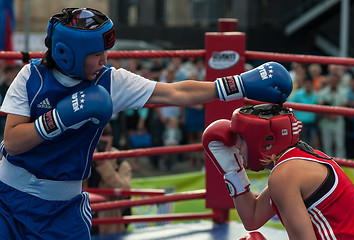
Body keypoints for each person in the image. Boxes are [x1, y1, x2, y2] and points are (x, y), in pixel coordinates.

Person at [0, 8, 292, 240]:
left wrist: (238, 84)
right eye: (97, 54)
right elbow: (12, 141)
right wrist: (59, 118)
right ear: (69, 54)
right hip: (8, 199)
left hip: (62, 211)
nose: (105, 59)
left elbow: (176, 92)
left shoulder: (111, 82)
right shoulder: (31, 77)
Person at [202, 104, 354, 240]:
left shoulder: (285, 175)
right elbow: (252, 218)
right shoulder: (296, 160)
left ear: (262, 142)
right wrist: (232, 171)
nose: (237, 148)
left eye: (241, 140)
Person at [88, 123, 132, 235]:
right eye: (97, 142)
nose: (100, 146)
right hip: (85, 215)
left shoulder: (120, 161)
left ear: (111, 140)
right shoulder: (86, 155)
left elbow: (125, 190)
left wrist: (102, 163)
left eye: (104, 143)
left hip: (108, 218)